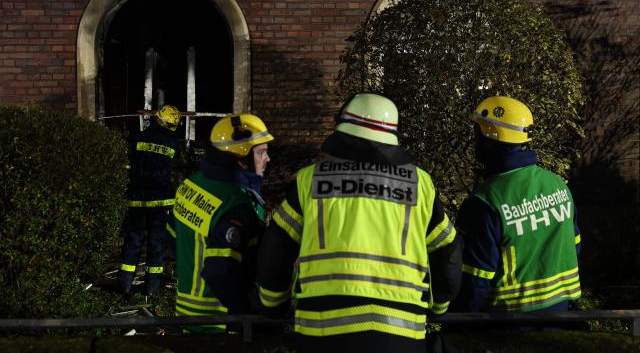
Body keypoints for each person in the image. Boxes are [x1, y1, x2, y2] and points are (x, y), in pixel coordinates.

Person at [256, 92, 462, 353]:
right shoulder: (419, 184)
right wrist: (438, 309)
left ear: (343, 131)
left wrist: (273, 307)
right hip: (399, 333)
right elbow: (449, 255)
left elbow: (277, 248)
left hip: (321, 332)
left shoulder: (310, 180)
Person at [451, 96, 581, 314]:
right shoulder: (558, 185)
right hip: (560, 317)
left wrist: (459, 325)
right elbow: (574, 246)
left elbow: (474, 280)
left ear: (489, 139)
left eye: (478, 135)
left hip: (507, 324)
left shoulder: (484, 202)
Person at [167, 113, 274, 333]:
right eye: (261, 152)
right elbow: (221, 272)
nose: (267, 159)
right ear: (241, 160)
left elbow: (172, 237)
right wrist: (254, 317)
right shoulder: (235, 205)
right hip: (221, 323)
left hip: (188, 314)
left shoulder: (192, 184)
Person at [118, 105, 182, 296]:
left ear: (156, 119)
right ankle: (152, 290)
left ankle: (124, 287)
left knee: (132, 243)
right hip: (161, 205)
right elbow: (177, 172)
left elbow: (126, 165)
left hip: (136, 201)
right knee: (156, 247)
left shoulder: (137, 138)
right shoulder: (173, 145)